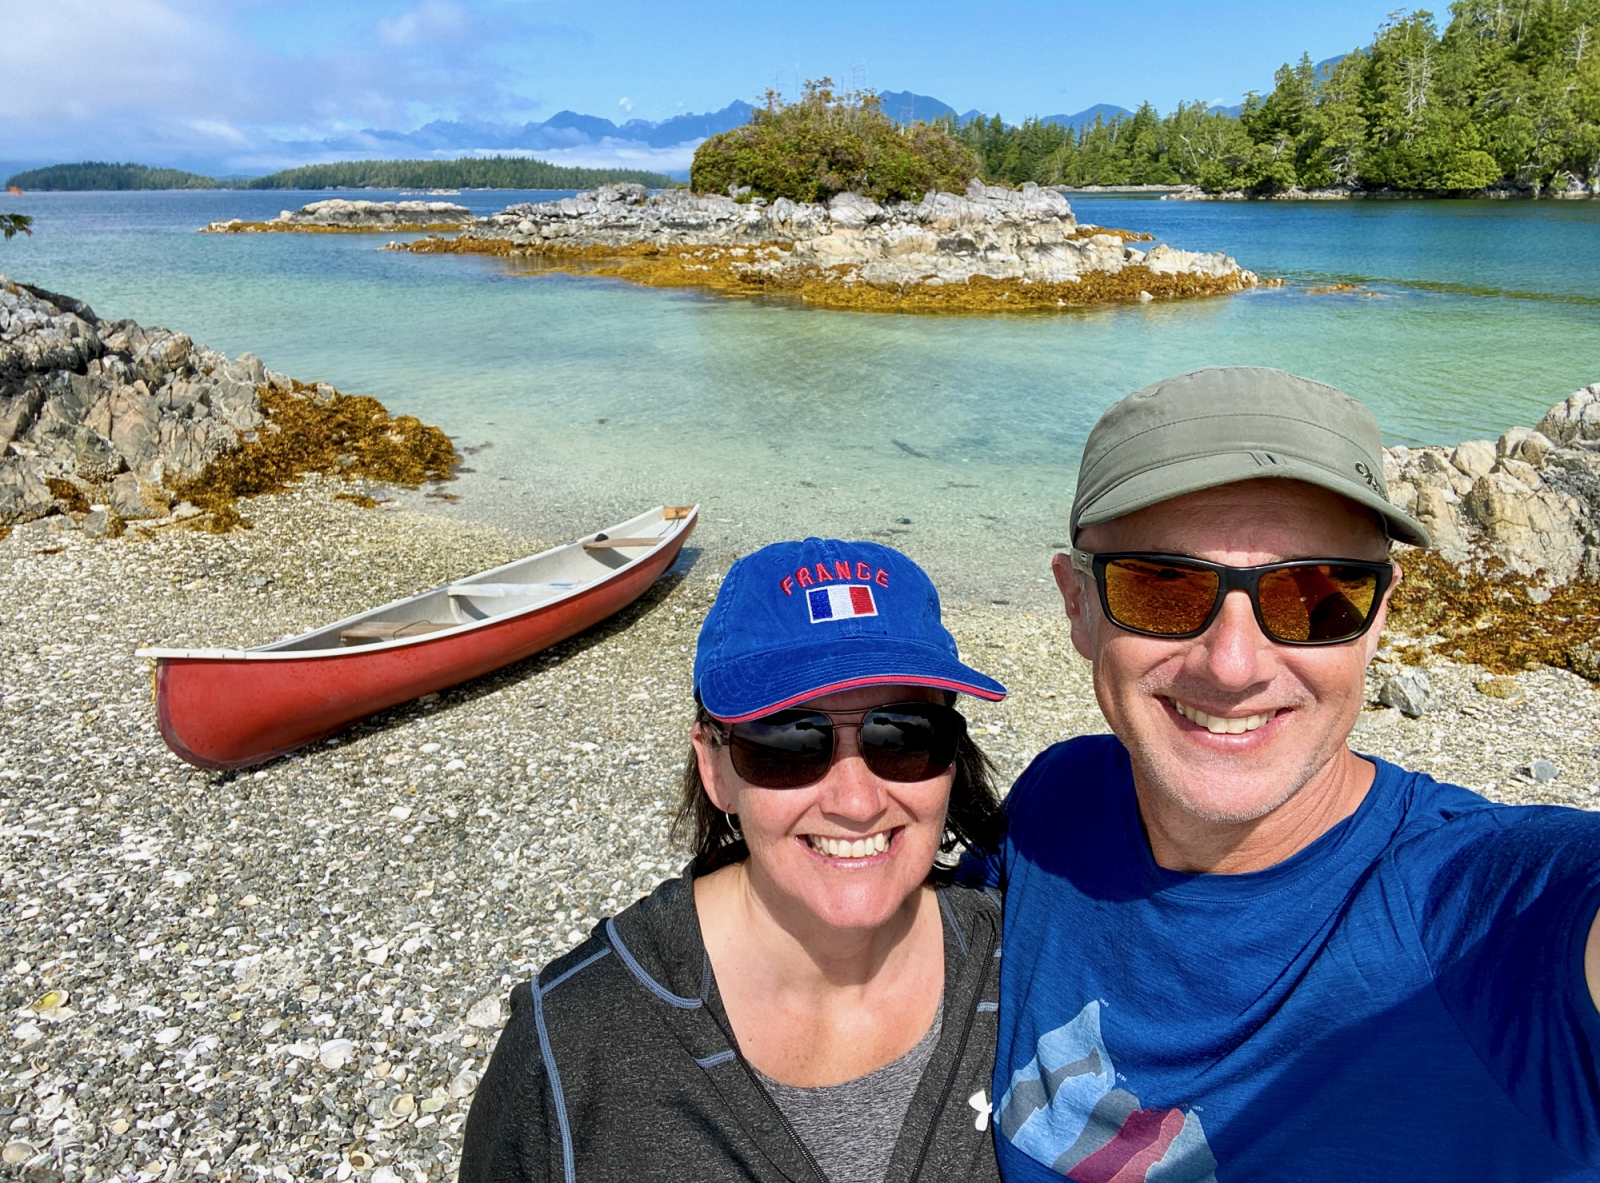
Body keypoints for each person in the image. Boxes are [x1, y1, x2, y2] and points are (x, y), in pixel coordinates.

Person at [980, 366, 1600, 1181]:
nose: (1233, 666)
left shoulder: (1481, 906)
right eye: (1164, 586)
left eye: (1316, 594)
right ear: (1078, 607)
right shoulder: (1057, 804)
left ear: (1378, 616)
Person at [461, 539, 1010, 1183]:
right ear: (713, 766)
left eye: (905, 735)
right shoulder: (572, 1045)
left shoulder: (1026, 973)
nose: (857, 802)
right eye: (788, 741)